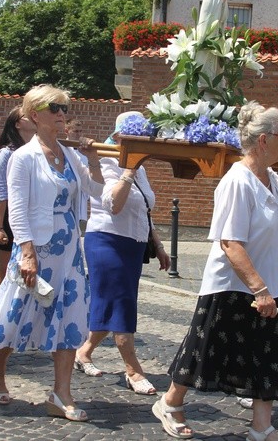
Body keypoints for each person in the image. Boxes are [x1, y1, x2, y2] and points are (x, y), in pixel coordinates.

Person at [152, 102, 278, 441]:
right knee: (204, 351)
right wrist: (259, 289)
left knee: (266, 355)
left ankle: (261, 426)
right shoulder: (237, 181)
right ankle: (169, 403)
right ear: (265, 140)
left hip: (267, 285)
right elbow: (230, 243)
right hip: (233, 287)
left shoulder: (271, 178)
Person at [0, 85, 104, 421]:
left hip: (68, 249)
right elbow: (17, 210)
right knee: (20, 313)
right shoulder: (22, 157)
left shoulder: (72, 155)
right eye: (54, 108)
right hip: (36, 247)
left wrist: (92, 161)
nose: (62, 114)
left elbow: (97, 192)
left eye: (64, 108)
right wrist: (27, 253)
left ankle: (61, 394)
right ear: (35, 114)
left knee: (70, 316)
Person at [76, 112, 170, 393]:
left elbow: (145, 209)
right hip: (107, 241)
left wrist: (159, 244)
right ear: (119, 137)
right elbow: (112, 205)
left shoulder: (141, 168)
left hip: (133, 244)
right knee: (122, 304)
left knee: (111, 303)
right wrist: (127, 171)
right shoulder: (106, 161)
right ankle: (133, 370)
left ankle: (84, 352)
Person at [0, 106, 36, 294]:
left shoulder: (34, 151)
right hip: (8, 215)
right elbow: (0, 191)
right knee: (6, 270)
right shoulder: (7, 153)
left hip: (27, 213)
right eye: (27, 116)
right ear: (17, 124)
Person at [195, 0, 235, 90]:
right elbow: (209, 11)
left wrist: (222, 2)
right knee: (206, 61)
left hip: (217, 32)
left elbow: (222, 14)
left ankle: (215, 86)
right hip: (209, 32)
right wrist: (221, 1)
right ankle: (204, 84)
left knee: (216, 64)